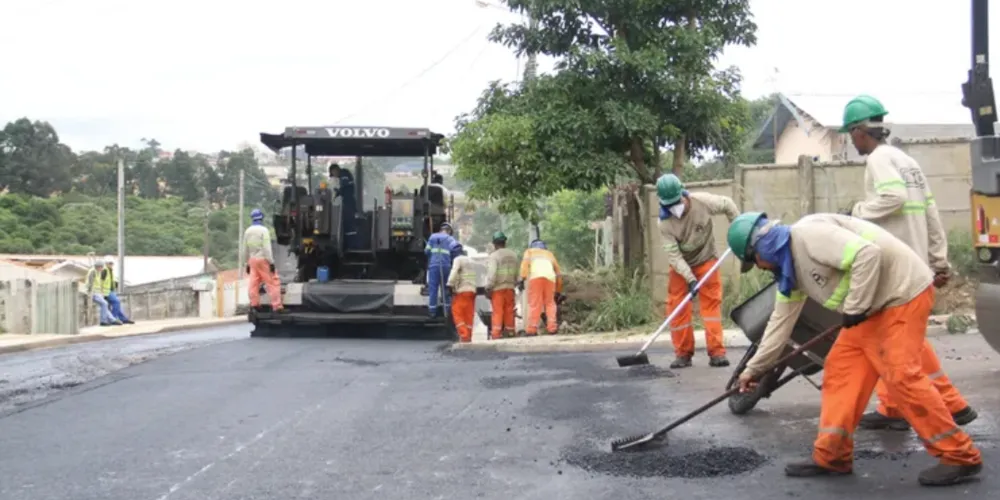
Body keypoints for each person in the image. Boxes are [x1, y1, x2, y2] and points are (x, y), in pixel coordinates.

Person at [728, 211, 982, 486]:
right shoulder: (791, 272)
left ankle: (959, 456)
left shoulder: (809, 235)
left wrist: (856, 306)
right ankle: (832, 456)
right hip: (871, 309)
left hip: (902, 294)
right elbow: (780, 325)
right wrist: (753, 370)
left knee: (900, 375)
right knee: (840, 372)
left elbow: (867, 254)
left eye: (755, 262)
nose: (761, 268)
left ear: (761, 248)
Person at [840, 94, 977, 431]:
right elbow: (930, 212)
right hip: (917, 265)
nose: (851, 141)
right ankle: (892, 408)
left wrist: (857, 212)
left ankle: (950, 404)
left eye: (850, 133)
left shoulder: (879, 160)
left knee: (898, 339)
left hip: (896, 270)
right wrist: (939, 261)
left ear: (860, 131)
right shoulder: (908, 162)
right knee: (898, 337)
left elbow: (893, 198)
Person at [655, 173, 739, 369]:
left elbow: (728, 204)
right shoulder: (664, 223)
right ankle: (683, 354)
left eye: (676, 202)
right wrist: (690, 279)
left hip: (706, 259)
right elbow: (674, 256)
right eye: (669, 205)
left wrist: (737, 228)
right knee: (677, 307)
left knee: (711, 307)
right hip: (681, 265)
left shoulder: (702, 202)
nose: (674, 207)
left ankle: (717, 352)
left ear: (682, 194)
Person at [243, 208, 284, 312]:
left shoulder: (247, 231)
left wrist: (247, 263)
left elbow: (245, 249)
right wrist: (271, 262)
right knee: (272, 282)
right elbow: (266, 248)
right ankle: (277, 306)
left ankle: (254, 305)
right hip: (263, 260)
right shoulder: (264, 230)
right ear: (261, 218)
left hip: (252, 260)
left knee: (253, 283)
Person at [518, 239, 563, 336]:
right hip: (550, 279)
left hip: (536, 278)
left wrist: (522, 278)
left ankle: (532, 330)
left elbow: (524, 265)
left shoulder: (529, 252)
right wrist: (558, 290)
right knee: (550, 303)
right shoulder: (549, 254)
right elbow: (558, 272)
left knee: (535, 303)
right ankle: (552, 328)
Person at [485, 231, 518, 339]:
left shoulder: (494, 256)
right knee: (509, 311)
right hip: (510, 288)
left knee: (498, 311)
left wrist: (488, 287)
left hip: (498, 288)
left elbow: (492, 273)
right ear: (505, 242)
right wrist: (516, 283)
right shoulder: (513, 255)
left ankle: (496, 334)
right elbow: (516, 272)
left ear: (494, 244)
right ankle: (510, 332)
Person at [425, 222, 460, 318]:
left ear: (441, 229)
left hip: (434, 266)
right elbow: (456, 251)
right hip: (446, 266)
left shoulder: (432, 237)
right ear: (449, 231)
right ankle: (447, 313)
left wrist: (432, 257)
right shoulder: (450, 239)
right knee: (446, 289)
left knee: (433, 289)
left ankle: (432, 312)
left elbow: (426, 251)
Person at [447, 248, 477, 343]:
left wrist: (450, 284)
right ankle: (468, 336)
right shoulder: (471, 261)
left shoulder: (458, 259)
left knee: (457, 312)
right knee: (468, 314)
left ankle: (464, 335)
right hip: (472, 291)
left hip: (462, 291)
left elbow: (454, 272)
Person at [329, 163, 359, 250]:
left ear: (335, 169)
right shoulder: (343, 175)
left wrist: (338, 192)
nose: (335, 176)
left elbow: (345, 187)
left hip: (349, 202)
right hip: (347, 201)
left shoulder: (344, 174)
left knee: (349, 223)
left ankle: (351, 246)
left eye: (333, 173)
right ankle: (349, 245)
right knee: (347, 224)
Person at [85, 260, 119, 326]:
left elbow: (98, 283)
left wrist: (101, 292)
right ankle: (104, 321)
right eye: (101, 267)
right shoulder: (93, 272)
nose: (102, 269)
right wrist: (90, 292)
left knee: (104, 305)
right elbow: (90, 283)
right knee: (105, 303)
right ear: (98, 267)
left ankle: (112, 320)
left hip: (97, 292)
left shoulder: (97, 271)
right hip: (93, 292)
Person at [102, 256, 133, 324]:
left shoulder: (109, 270)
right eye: (110, 263)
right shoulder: (104, 270)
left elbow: (110, 280)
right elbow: (101, 281)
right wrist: (102, 293)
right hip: (107, 291)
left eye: (112, 263)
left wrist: (115, 284)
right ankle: (113, 319)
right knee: (116, 302)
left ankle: (123, 319)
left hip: (111, 290)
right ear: (106, 263)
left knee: (116, 305)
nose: (111, 264)